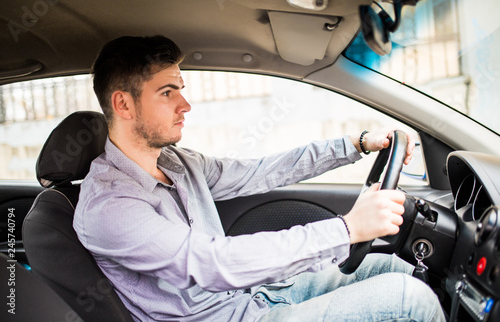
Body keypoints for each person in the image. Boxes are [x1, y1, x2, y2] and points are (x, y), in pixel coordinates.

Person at [73, 35, 445, 322]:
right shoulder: (109, 206)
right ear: (123, 104)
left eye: (180, 91)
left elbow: (262, 170)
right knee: (409, 300)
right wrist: (346, 230)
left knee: (397, 266)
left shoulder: (175, 162)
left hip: (253, 297)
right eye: (167, 93)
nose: (185, 106)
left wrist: (355, 144)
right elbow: (211, 263)